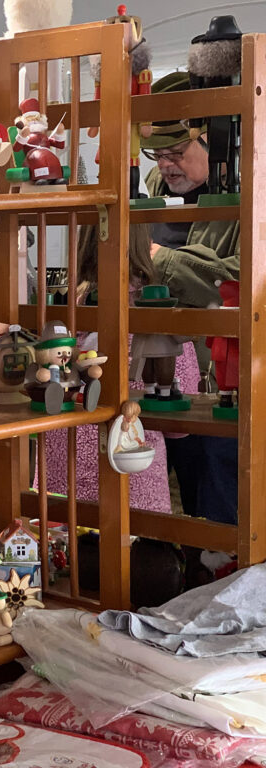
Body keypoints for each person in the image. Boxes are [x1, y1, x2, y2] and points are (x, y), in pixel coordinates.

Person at [42, 224, 200, 515]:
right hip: (133, 478)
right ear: (146, 245)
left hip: (61, 475)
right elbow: (180, 421)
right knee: (133, 553)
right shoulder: (157, 308)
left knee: (64, 553)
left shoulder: (64, 308)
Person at [140, 72, 240, 524]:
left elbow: (236, 284)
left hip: (220, 383)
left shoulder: (247, 198)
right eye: (158, 155)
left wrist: (161, 260)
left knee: (219, 509)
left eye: (177, 153)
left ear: (211, 143)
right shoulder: (152, 192)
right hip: (154, 379)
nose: (166, 165)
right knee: (161, 504)